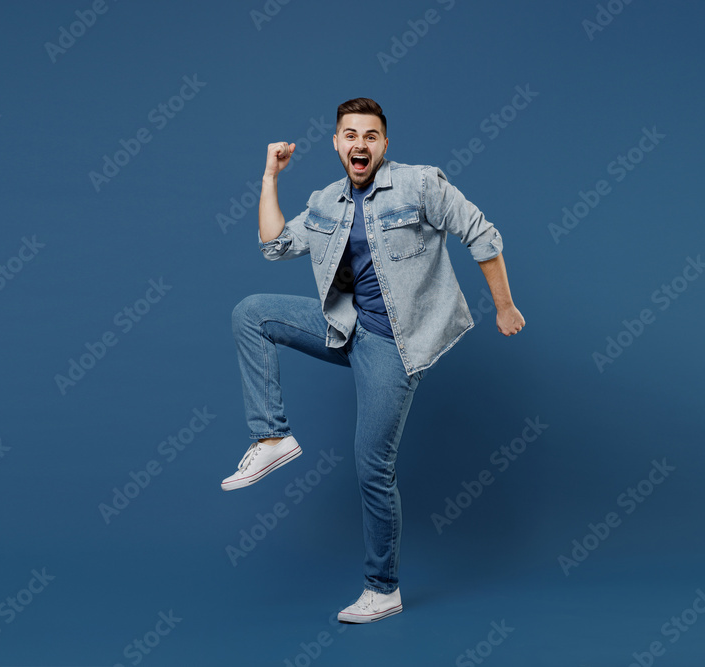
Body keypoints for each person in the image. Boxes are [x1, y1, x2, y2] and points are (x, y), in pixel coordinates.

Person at [222, 97, 525, 623]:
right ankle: (272, 436)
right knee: (251, 313)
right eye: (349, 134)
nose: (359, 143)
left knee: (372, 468)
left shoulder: (420, 185)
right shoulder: (325, 201)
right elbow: (274, 246)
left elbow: (481, 233)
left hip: (394, 343)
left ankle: (382, 589)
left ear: (384, 144)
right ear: (337, 143)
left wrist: (504, 305)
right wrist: (270, 176)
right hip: (345, 325)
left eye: (370, 135)